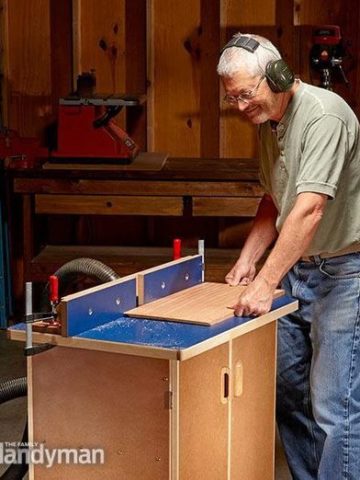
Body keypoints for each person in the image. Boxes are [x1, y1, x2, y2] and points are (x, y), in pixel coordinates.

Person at [217, 33, 360, 480]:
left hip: (343, 271)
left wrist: (263, 284)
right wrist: (248, 261)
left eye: (245, 94)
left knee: (335, 405)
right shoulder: (270, 124)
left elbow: (309, 208)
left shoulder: (324, 117)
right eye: (231, 98)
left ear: (277, 76)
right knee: (285, 390)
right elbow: (275, 198)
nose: (240, 107)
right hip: (296, 268)